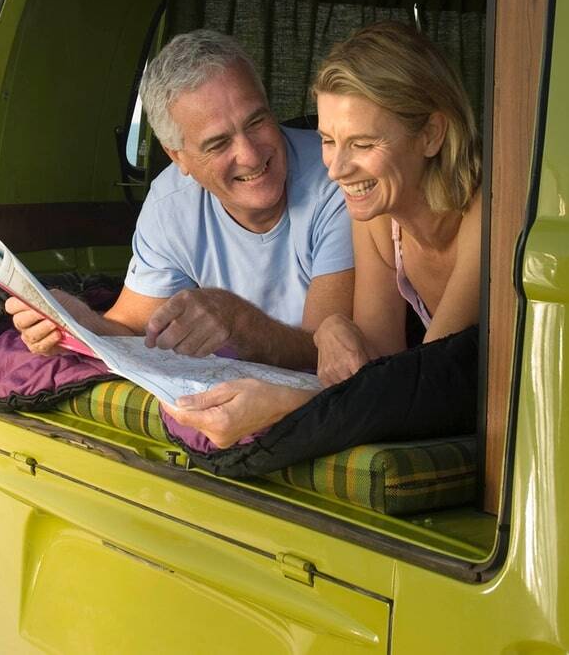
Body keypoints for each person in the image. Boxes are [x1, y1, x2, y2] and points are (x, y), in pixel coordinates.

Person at [164, 22, 482, 447]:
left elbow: (422, 386)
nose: (335, 169)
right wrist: (333, 326)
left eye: (363, 144)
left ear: (430, 134)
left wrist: (284, 404)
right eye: (329, 141)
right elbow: (380, 366)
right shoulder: (377, 220)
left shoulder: (488, 211)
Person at [6, 30, 354, 371]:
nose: (249, 155)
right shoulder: (170, 204)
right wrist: (77, 322)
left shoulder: (338, 178)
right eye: (218, 144)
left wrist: (238, 322)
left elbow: (325, 355)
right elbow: (131, 330)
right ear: (178, 157)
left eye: (257, 121)